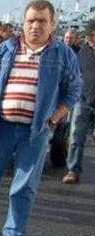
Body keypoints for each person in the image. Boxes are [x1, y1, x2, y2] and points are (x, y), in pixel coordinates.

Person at [0, 0, 81, 236]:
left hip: (35, 131)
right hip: (0, 126)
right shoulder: (6, 49)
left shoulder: (63, 54)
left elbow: (74, 89)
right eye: (31, 20)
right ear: (24, 23)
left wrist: (55, 118)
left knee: (24, 185)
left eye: (41, 20)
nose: (35, 26)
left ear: (52, 23)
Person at [64, 20, 95, 184]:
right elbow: (74, 76)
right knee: (76, 137)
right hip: (82, 100)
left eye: (92, 35)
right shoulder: (82, 53)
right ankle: (73, 170)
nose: (89, 39)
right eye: (88, 36)